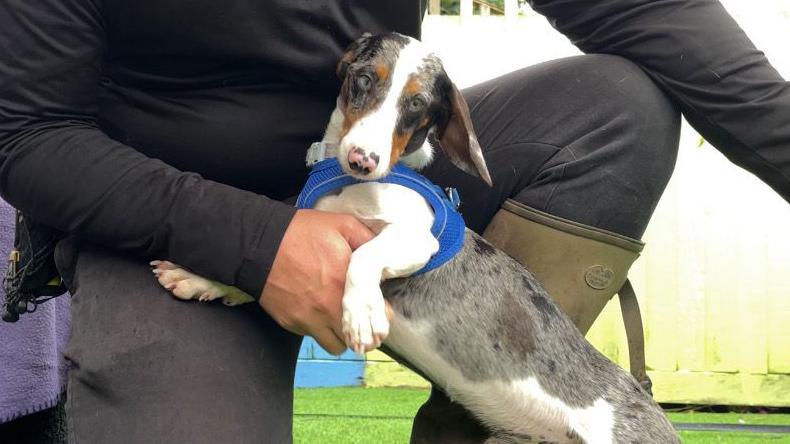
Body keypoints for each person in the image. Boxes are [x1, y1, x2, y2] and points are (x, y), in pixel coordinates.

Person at [0, 1, 787, 442]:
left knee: (616, 105)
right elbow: (26, 133)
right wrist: (258, 242)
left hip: (386, 187)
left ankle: (482, 422)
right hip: (170, 222)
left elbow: (642, 7)